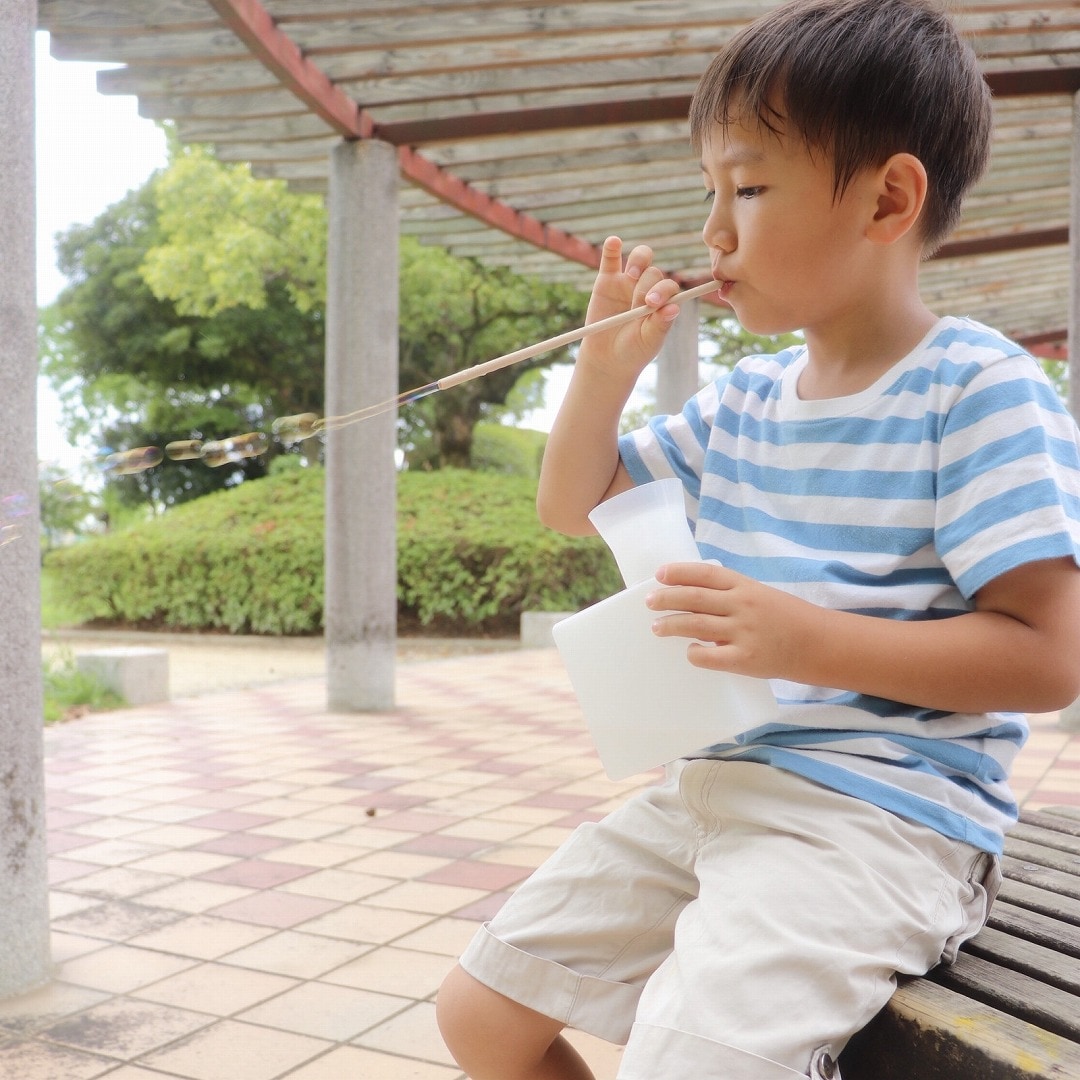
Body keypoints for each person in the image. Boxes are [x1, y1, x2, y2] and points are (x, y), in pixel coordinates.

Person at [436, 2, 1080, 1077]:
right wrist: (604, 367)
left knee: (690, 1061)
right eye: (709, 192)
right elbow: (573, 501)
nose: (713, 233)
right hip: (715, 790)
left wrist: (803, 640)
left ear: (888, 198)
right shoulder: (747, 398)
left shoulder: (979, 390)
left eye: (747, 187)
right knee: (481, 1013)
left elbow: (1049, 657)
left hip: (882, 820)